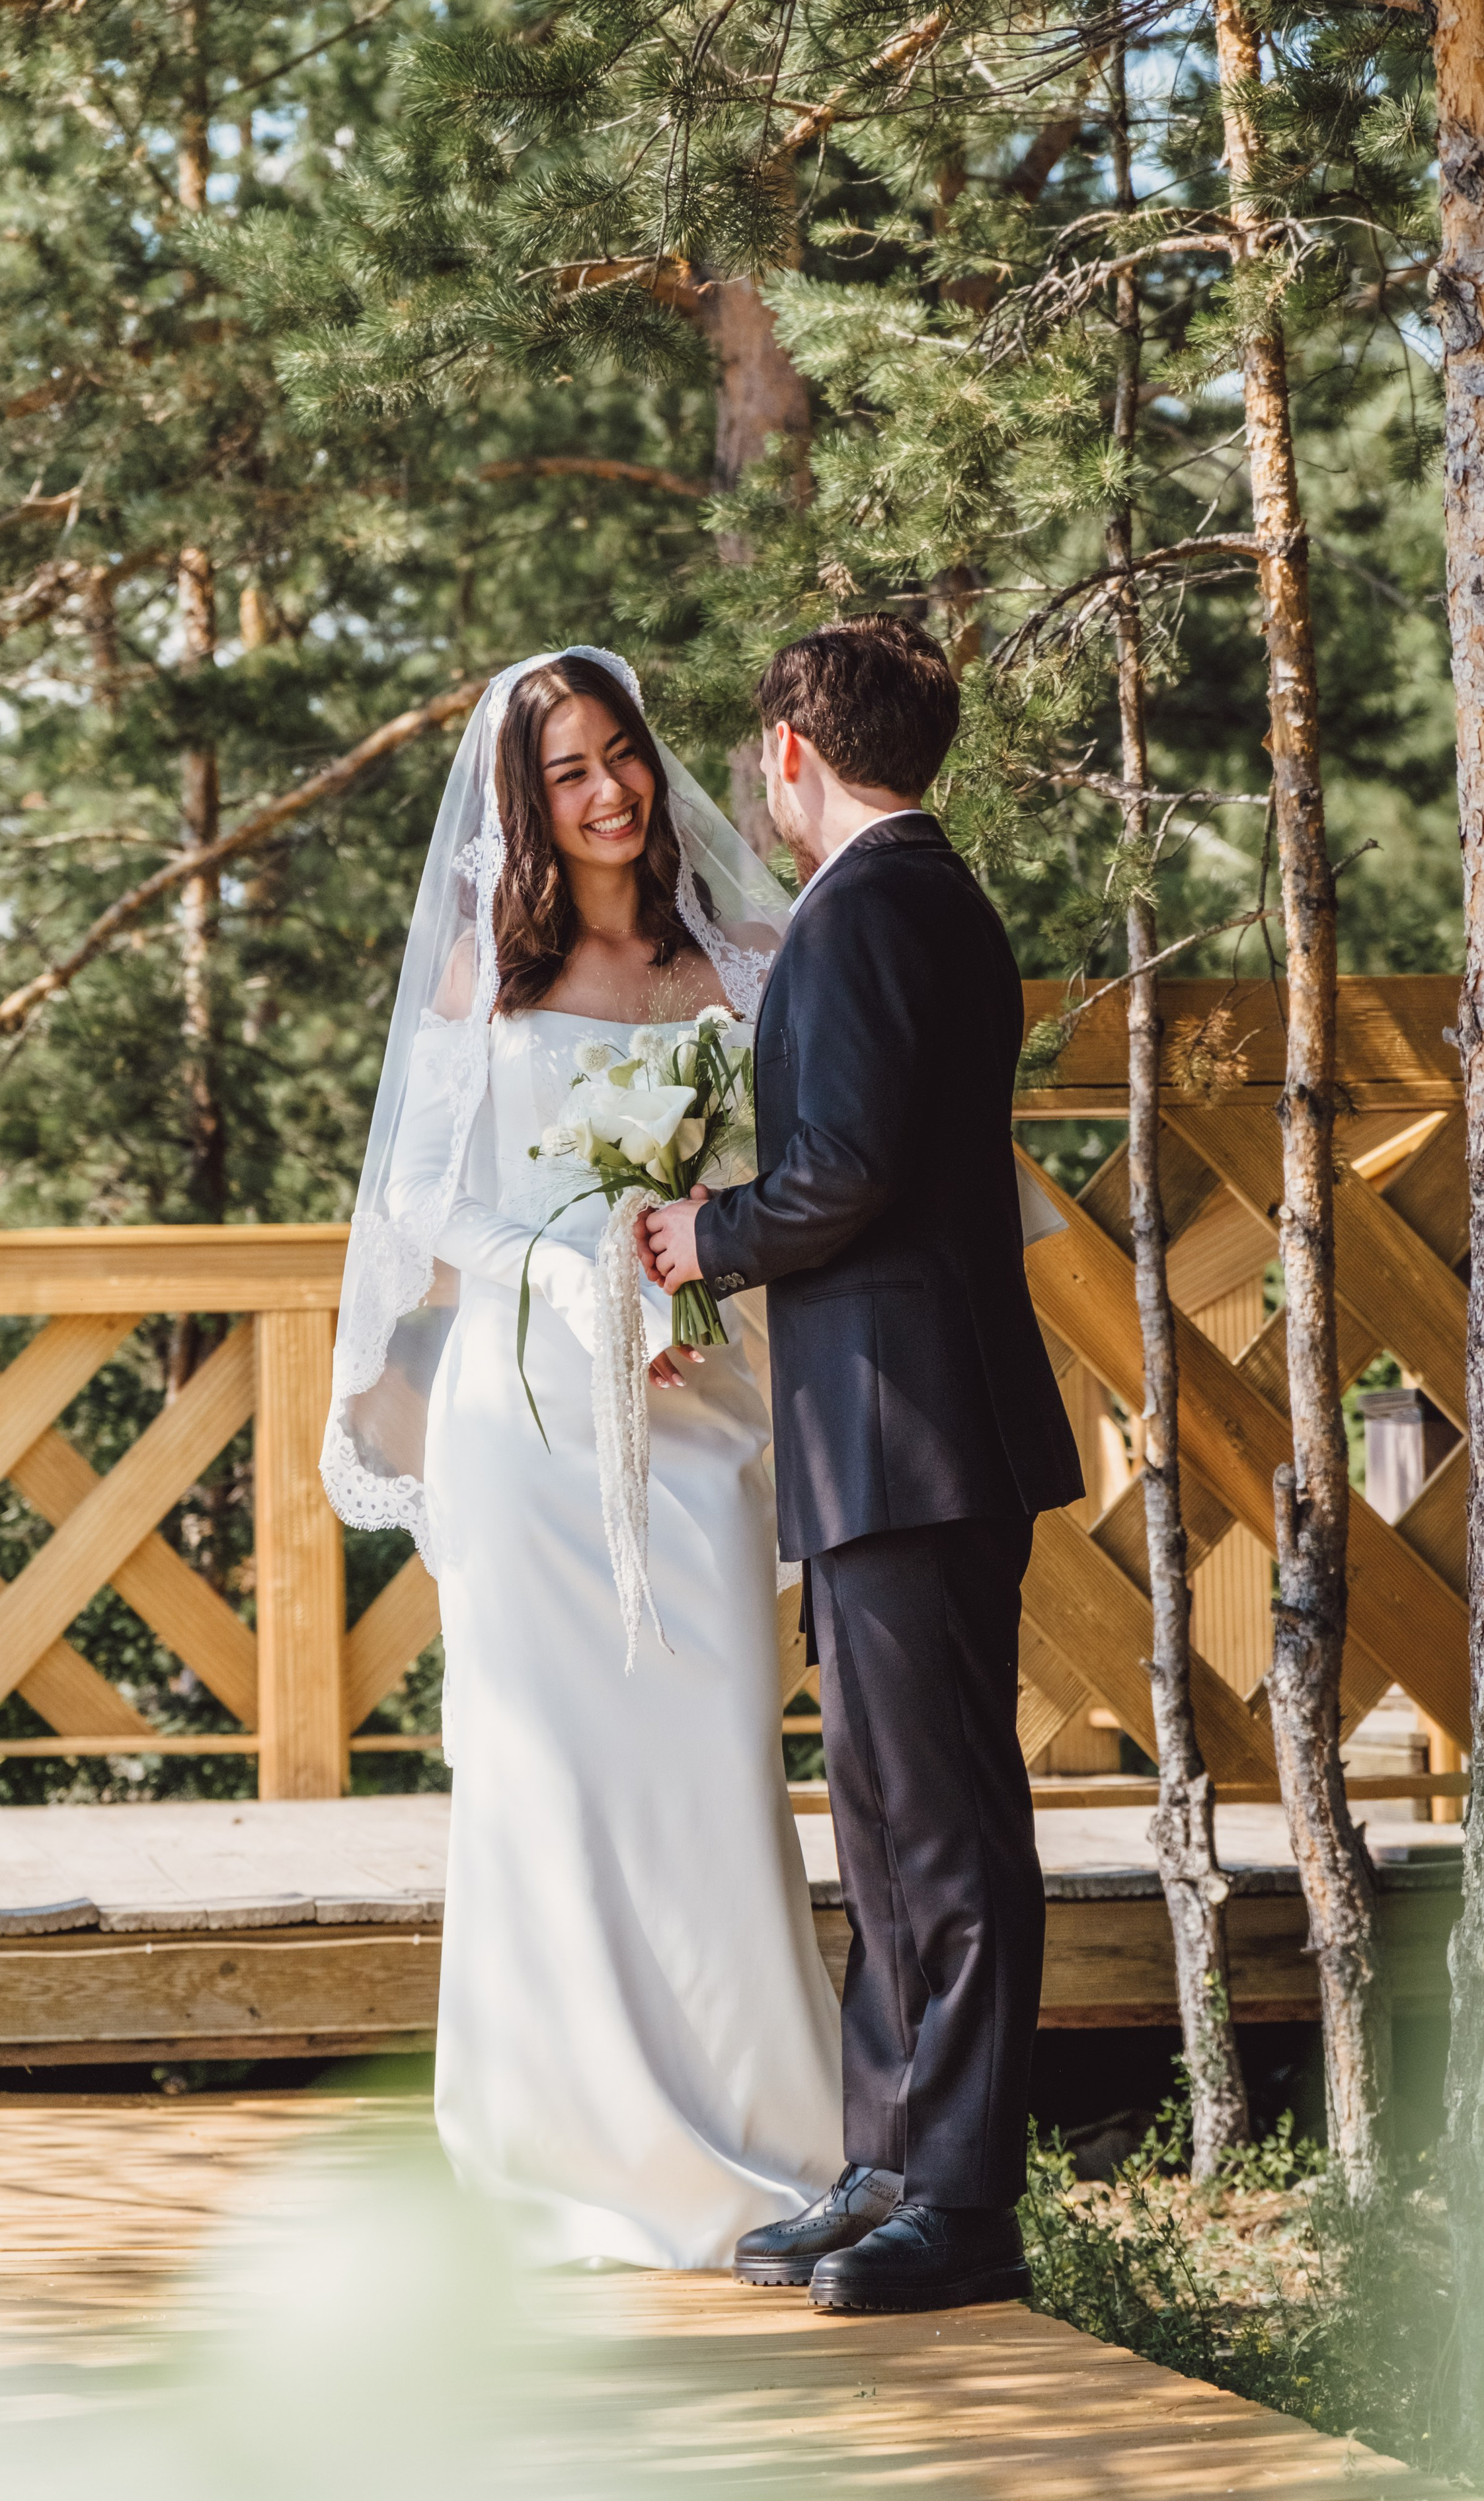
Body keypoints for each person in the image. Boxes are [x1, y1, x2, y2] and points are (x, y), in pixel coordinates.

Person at [320, 647, 843, 2268]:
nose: (609, 790)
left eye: (622, 756)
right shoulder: (485, 967)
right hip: (528, 1425)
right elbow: (423, 1206)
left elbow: (813, 1169)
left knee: (704, 1765)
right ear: (523, 805)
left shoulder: (740, 958)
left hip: (689, 1419)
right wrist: (580, 1277)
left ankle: (767, 2140)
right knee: (543, 1785)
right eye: (568, 773)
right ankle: (558, 2144)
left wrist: (699, 1266)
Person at [641, 615, 1083, 2314]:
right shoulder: (902, 899)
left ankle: (962, 2210)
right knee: (890, 1820)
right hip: (883, 1430)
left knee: (947, 1827)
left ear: (787, 757)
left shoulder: (877, 907)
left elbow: (842, 1177)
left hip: (916, 1427)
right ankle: (889, 2163)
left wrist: (699, 1235)